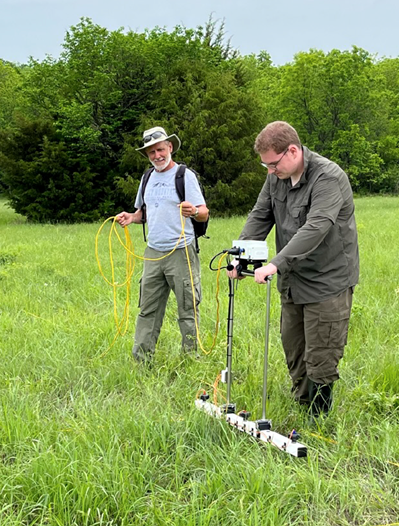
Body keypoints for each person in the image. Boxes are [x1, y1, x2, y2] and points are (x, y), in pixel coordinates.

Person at [231, 121, 359, 415]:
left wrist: (274, 264)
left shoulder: (328, 177)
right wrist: (240, 256)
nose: (269, 171)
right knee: (295, 347)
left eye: (273, 164)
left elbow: (316, 228)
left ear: (292, 150)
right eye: (265, 166)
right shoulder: (276, 177)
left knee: (321, 351)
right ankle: (303, 406)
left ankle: (319, 416)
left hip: (327, 279)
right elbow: (260, 215)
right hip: (292, 279)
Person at [114, 126, 209, 361]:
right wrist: (131, 217)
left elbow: (204, 213)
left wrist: (194, 210)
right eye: (151, 152)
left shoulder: (185, 176)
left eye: (160, 149)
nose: (157, 155)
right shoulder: (147, 178)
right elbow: (143, 213)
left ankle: (191, 359)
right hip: (153, 253)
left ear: (170, 147)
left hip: (181, 252)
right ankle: (141, 361)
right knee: (148, 309)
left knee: (188, 308)